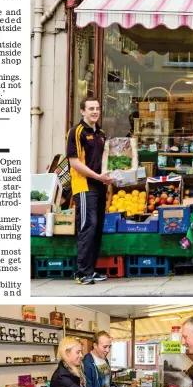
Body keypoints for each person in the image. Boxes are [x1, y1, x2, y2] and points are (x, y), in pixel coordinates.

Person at [66, 97, 113, 285]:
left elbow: (106, 161)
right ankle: (81, 272)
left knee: (97, 227)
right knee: (88, 226)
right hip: (84, 185)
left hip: (99, 185)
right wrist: (97, 176)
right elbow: (74, 162)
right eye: (91, 108)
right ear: (82, 111)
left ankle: (90, 270)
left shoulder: (101, 134)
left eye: (97, 108)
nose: (95, 111)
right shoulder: (76, 132)